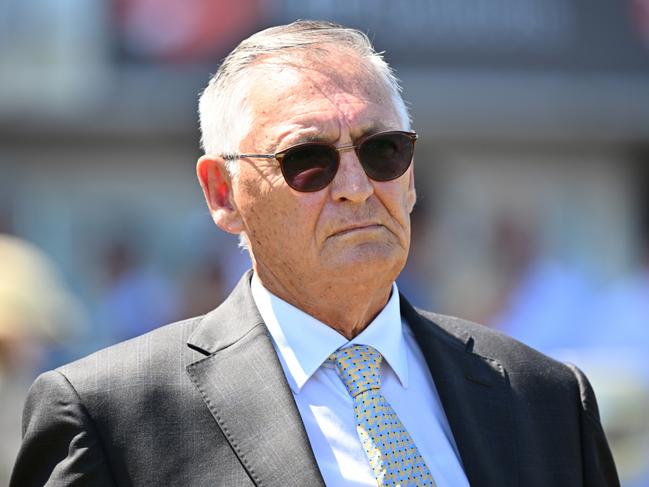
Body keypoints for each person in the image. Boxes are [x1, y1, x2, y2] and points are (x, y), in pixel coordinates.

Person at [10, 20, 619, 486]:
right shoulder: (111, 415)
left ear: (409, 179)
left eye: (382, 150)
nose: (356, 187)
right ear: (223, 194)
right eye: (307, 160)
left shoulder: (546, 397)